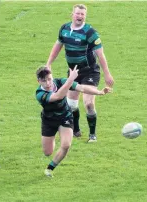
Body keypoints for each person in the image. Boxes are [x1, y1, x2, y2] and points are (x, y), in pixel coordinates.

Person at [46, 4, 114, 142]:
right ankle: (76, 130)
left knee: (88, 103)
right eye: (78, 14)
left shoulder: (90, 32)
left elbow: (100, 54)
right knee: (71, 105)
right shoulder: (64, 29)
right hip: (73, 72)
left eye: (83, 14)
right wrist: (48, 63)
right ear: (72, 14)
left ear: (85, 16)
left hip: (90, 72)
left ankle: (92, 135)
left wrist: (107, 74)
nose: (80, 16)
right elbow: (58, 46)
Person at [35, 66, 112, 177]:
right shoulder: (39, 94)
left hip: (65, 117)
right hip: (49, 121)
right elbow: (58, 96)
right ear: (38, 81)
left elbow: (81, 88)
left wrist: (99, 92)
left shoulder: (60, 81)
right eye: (44, 81)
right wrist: (70, 80)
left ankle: (50, 168)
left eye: (49, 79)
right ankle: (54, 136)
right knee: (48, 152)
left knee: (66, 145)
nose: (48, 83)